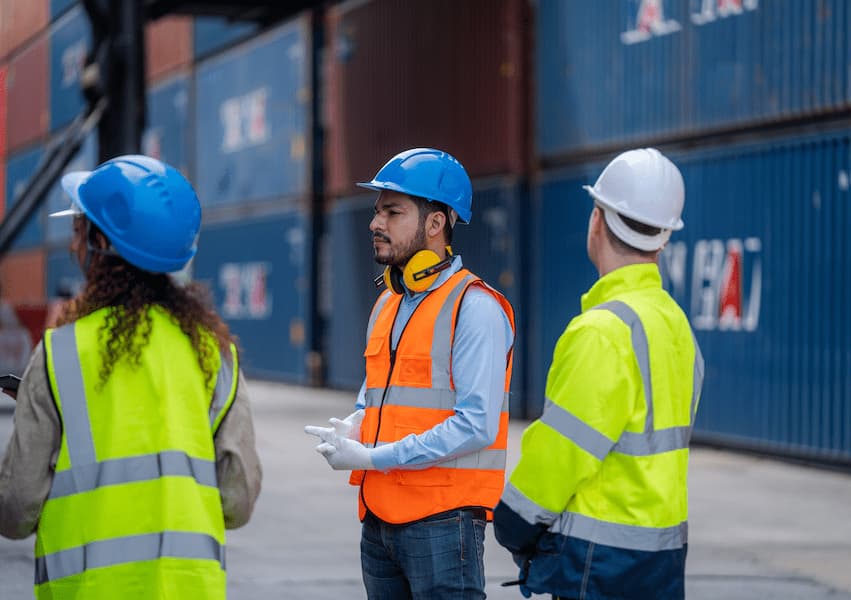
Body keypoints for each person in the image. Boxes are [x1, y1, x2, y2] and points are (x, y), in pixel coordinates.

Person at [0, 155, 263, 598]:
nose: (72, 245)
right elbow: (236, 503)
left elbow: (15, 509)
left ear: (101, 242)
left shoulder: (61, 352)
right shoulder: (213, 352)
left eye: (79, 230)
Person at [492, 148, 704, 600]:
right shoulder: (674, 324)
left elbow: (563, 451)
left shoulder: (602, 331)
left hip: (601, 564)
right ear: (664, 238)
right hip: (663, 559)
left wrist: (512, 521)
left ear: (596, 220)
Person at [305, 147, 515, 599]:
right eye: (377, 211)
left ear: (436, 223)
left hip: (442, 522)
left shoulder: (475, 308)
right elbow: (379, 391)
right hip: (379, 519)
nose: (374, 223)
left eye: (392, 212)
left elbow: (476, 424)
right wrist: (357, 423)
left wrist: (376, 458)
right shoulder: (388, 304)